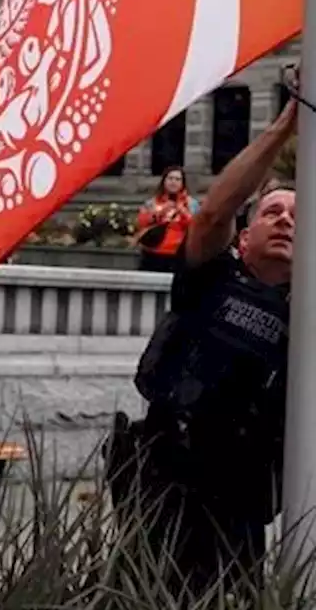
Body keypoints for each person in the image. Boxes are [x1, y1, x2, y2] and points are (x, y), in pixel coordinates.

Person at [114, 96, 296, 598]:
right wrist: (286, 125)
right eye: (272, 212)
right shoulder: (210, 279)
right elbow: (215, 212)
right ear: (244, 237)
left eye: (299, 216)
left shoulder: (306, 315)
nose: (285, 220)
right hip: (167, 486)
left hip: (239, 507)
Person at [134, 166, 199, 273]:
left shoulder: (192, 204)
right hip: (153, 253)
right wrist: (159, 213)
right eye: (170, 178)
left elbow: (198, 227)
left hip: (179, 255)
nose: (173, 182)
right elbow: (140, 223)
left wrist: (183, 211)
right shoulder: (152, 202)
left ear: (183, 183)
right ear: (164, 181)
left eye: (177, 179)